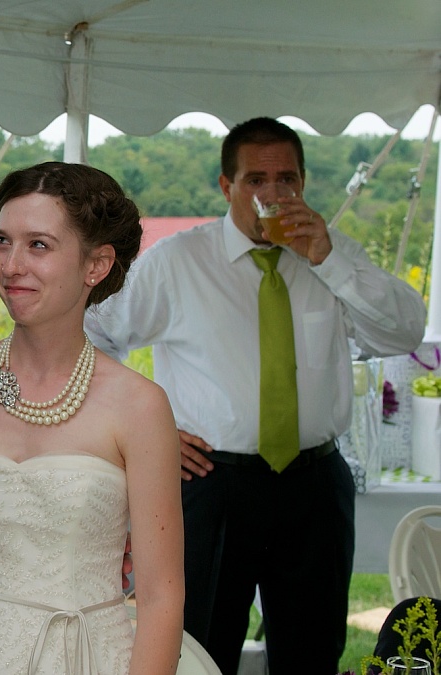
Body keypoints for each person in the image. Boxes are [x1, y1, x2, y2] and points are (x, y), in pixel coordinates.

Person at [84, 117, 427, 674]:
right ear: (227, 186)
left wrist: (330, 259)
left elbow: (404, 333)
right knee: (197, 645)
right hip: (212, 483)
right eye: (255, 180)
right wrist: (144, 432)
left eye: (287, 180)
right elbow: (93, 333)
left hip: (314, 483)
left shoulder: (331, 257)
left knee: (311, 649)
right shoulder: (179, 263)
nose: (273, 194)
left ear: (305, 182)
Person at [0, 162, 184, 674]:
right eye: (3, 241)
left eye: (38, 245)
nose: (10, 264)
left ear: (96, 265)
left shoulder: (139, 406)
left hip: (87, 658)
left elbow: (162, 596)